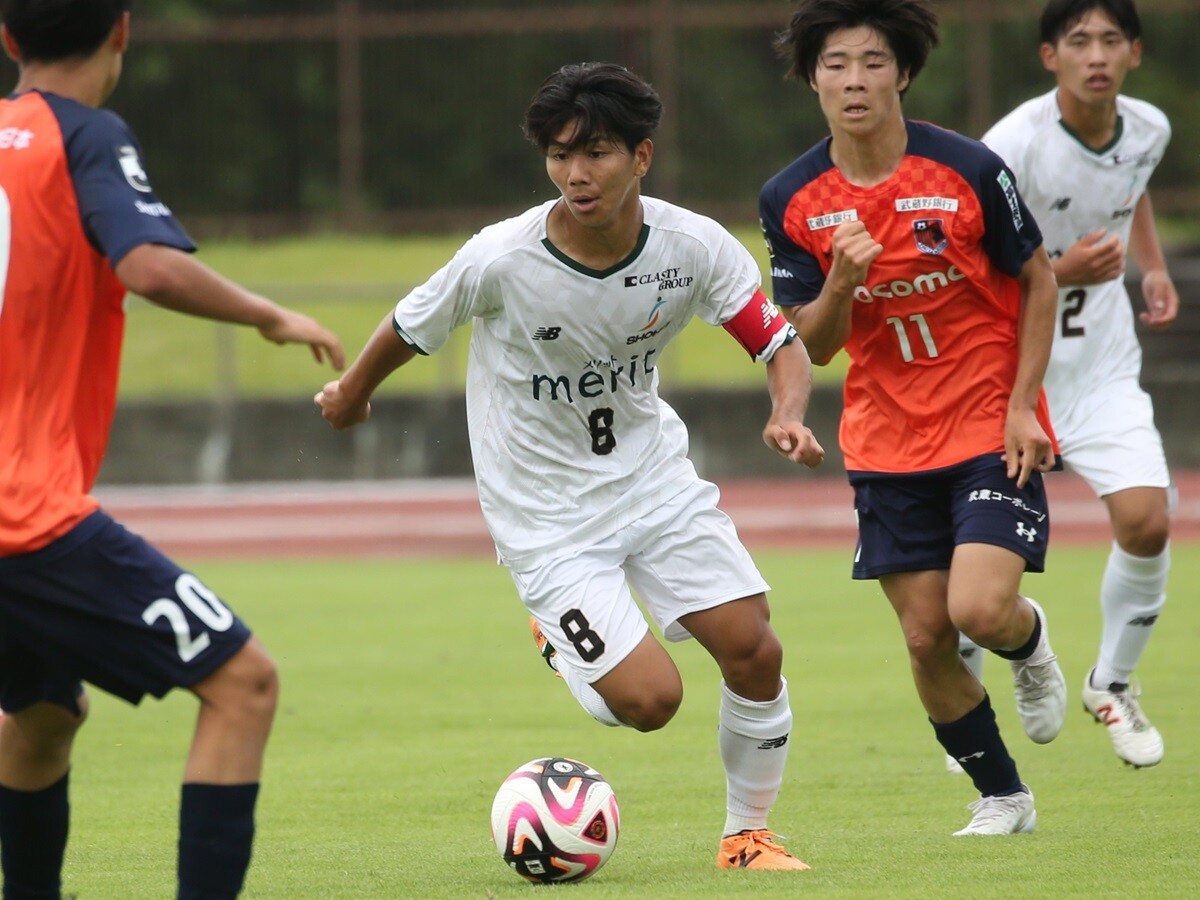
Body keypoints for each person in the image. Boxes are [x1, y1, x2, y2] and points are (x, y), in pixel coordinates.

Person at [316, 61, 824, 871]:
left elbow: (779, 343)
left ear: (642, 157)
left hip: (653, 481)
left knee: (755, 649)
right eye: (559, 155)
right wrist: (349, 393)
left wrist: (787, 415)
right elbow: (411, 325)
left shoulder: (692, 248)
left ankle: (747, 837)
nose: (576, 174)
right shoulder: (500, 259)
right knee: (651, 704)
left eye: (596, 153)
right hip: (546, 518)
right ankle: (556, 636)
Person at [0, 2, 345, 897]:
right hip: (24, 517)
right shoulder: (87, 135)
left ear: (7, 41)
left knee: (42, 714)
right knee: (245, 685)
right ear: (122, 31)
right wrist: (270, 314)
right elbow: (146, 264)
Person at [761, 0, 1068, 836]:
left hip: (985, 421)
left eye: (870, 62)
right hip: (885, 439)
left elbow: (1038, 281)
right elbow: (814, 345)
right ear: (812, 79)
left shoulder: (967, 169)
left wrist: (1021, 406)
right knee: (928, 635)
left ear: (901, 72)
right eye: (834, 65)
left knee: (977, 610)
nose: (853, 80)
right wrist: (841, 284)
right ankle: (1003, 797)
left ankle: (1026, 640)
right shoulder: (791, 198)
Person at [972, 0, 1174, 770]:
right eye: (1079, 40)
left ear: (1135, 54)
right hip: (1007, 374)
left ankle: (1113, 683)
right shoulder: (1011, 146)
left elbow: (1130, 188)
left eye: (1111, 40)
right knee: (974, 570)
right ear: (1049, 56)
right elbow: (972, 270)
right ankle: (969, 719)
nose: (1097, 54)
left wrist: (1148, 263)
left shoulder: (1148, 127)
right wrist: (1062, 271)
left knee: (1148, 521)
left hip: (1101, 368)